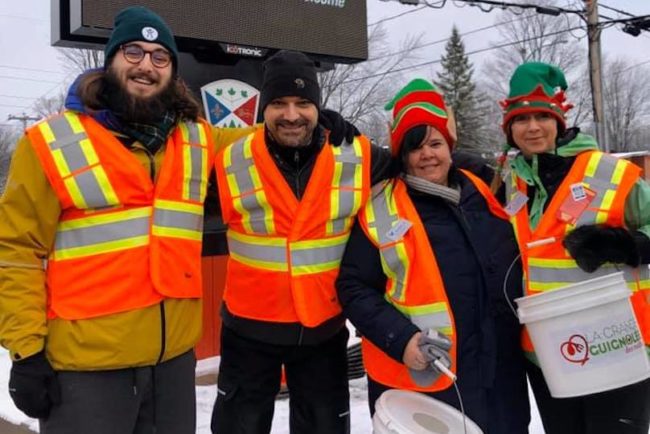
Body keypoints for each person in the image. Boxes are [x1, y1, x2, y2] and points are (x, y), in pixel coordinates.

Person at [0, 6, 353, 434]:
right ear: (110, 60)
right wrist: (26, 351)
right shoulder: (50, 142)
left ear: (171, 69)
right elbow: (14, 252)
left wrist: (319, 125)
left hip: (171, 366)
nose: (146, 65)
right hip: (86, 369)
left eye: (159, 56)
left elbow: (267, 138)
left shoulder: (196, 138)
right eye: (133, 52)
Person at [210, 49, 393, 434]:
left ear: (319, 107)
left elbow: (421, 162)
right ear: (263, 108)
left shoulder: (358, 155)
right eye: (278, 103)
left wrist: (475, 167)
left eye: (304, 103)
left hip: (322, 332)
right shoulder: (227, 158)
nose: (291, 115)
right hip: (247, 332)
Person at [335, 78, 530, 433]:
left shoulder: (485, 191)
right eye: (415, 147)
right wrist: (400, 338)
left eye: (436, 143)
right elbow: (353, 288)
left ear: (450, 146)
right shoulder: (381, 209)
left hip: (500, 374)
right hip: (425, 377)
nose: (427, 155)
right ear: (401, 154)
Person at [492, 61, 650, 434]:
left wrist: (622, 245)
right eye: (521, 119)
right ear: (509, 128)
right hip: (549, 353)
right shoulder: (512, 181)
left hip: (615, 345)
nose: (532, 128)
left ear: (559, 122)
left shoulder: (609, 172)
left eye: (541, 117)